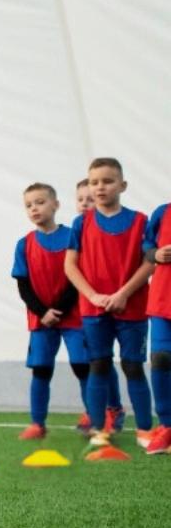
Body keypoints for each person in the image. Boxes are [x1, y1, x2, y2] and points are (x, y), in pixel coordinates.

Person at [65, 159, 154, 448]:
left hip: (133, 307)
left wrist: (124, 293)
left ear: (122, 185)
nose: (100, 187)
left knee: (133, 367)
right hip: (94, 310)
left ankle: (144, 430)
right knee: (99, 366)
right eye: (94, 182)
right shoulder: (82, 223)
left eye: (107, 181)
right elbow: (70, 266)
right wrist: (92, 295)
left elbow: (149, 263)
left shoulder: (141, 221)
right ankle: (99, 428)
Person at [12, 184, 89, 440]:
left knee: (82, 366)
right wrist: (43, 312)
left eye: (40, 202)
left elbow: (77, 277)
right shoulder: (24, 244)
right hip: (41, 320)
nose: (34, 208)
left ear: (55, 205)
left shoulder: (72, 237)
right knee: (42, 370)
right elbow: (23, 285)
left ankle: (94, 419)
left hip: (74, 316)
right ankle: (37, 423)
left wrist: (60, 309)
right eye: (29, 205)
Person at [74, 178, 125, 432]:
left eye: (90, 199)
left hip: (99, 306)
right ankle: (92, 410)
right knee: (86, 363)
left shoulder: (107, 231)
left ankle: (113, 409)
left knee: (101, 360)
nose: (85, 204)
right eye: (80, 200)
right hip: (78, 308)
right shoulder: (77, 230)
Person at [142, 203, 171, 453]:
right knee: (160, 359)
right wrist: (157, 255)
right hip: (163, 301)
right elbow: (147, 247)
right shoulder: (162, 213)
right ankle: (165, 425)